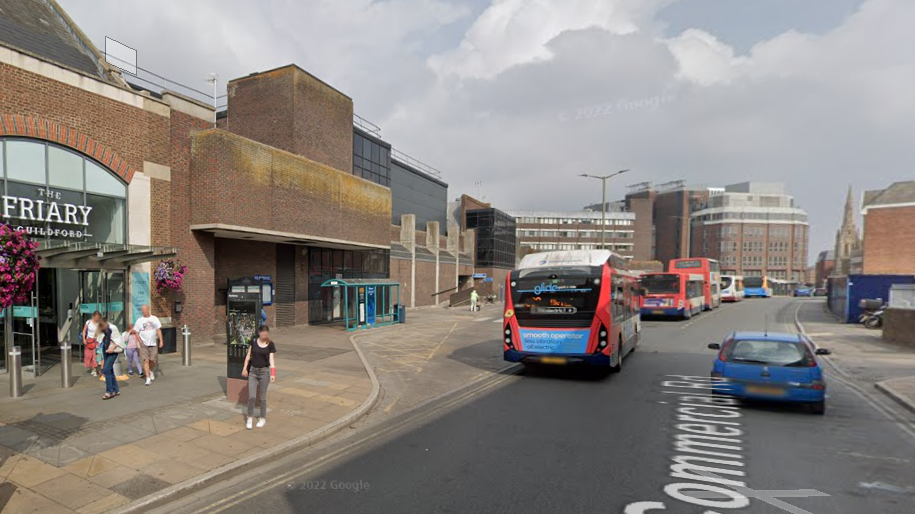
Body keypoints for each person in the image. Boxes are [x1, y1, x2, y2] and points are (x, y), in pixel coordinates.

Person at [241, 325, 277, 430]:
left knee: (262, 398)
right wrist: (244, 368)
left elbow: (272, 360)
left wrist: (273, 373)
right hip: (253, 371)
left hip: (264, 372)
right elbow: (248, 355)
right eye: (263, 334)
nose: (265, 336)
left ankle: (262, 418)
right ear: (259, 333)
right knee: (251, 397)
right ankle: (249, 418)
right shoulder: (253, 341)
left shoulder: (270, 344)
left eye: (267, 334)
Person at [132, 305, 163, 387]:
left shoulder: (154, 319)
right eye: (142, 310)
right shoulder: (139, 320)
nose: (143, 311)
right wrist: (139, 341)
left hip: (153, 343)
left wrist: (161, 341)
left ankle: (151, 370)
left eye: (144, 310)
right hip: (143, 344)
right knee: (146, 360)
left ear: (148, 309)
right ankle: (148, 378)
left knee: (152, 361)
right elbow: (135, 332)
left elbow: (158, 330)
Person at [99, 318, 125, 399]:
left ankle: (109, 391)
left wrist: (113, 347)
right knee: (110, 370)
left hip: (113, 350)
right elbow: (100, 338)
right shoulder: (102, 329)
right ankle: (116, 390)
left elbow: (119, 340)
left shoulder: (113, 328)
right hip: (105, 349)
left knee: (106, 369)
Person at [82, 311, 101, 377]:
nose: (97, 318)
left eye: (98, 317)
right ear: (93, 316)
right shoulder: (88, 322)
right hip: (88, 341)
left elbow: (100, 332)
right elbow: (84, 331)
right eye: (96, 317)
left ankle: (95, 369)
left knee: (94, 356)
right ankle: (93, 368)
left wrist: (99, 341)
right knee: (88, 356)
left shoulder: (99, 323)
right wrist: (84, 339)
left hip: (95, 340)